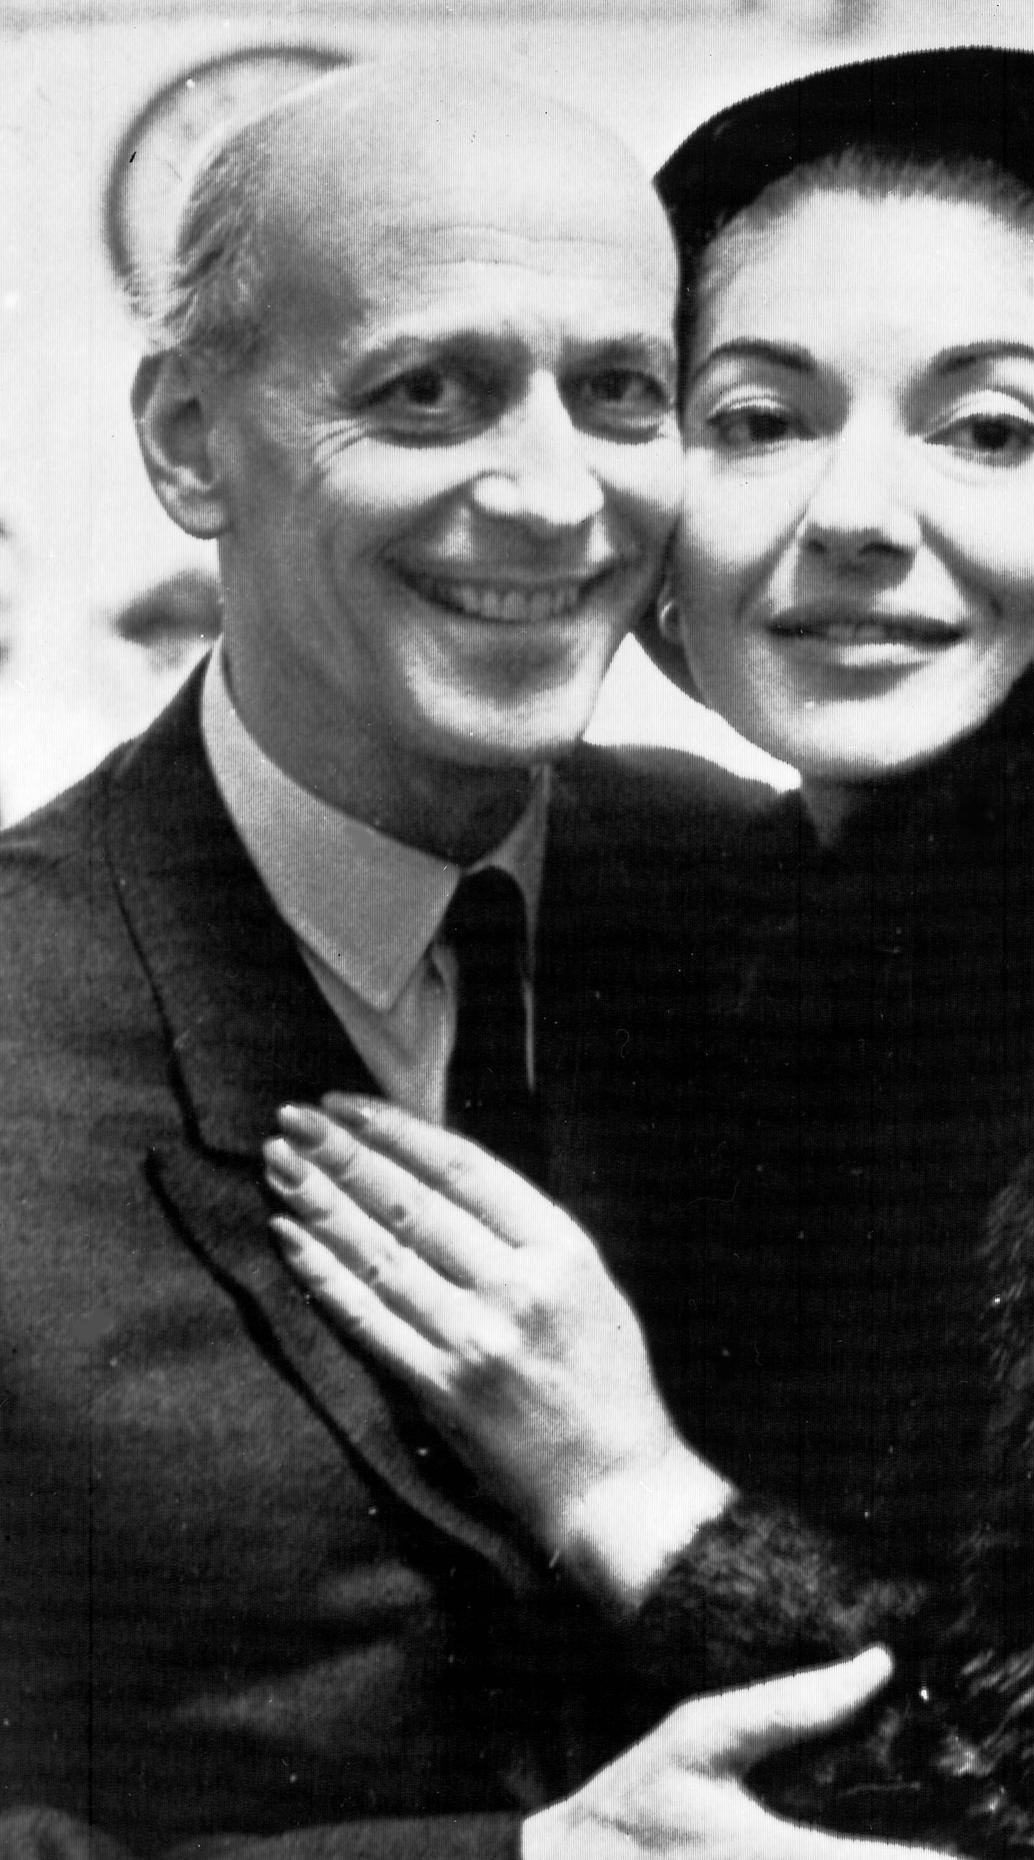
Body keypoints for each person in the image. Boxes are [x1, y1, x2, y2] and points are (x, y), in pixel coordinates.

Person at [264, 50, 1034, 1858]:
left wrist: (628, 1494)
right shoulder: (742, 926)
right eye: (755, 420)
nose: (856, 515)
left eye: (988, 430)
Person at [0, 56, 943, 1860]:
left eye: (620, 393)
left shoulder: (769, 899)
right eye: (427, 393)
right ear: (190, 441)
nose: (552, 498)